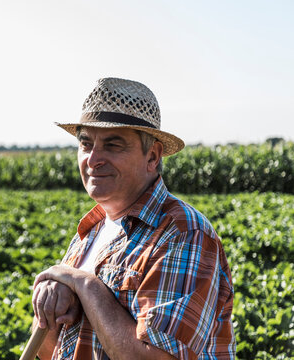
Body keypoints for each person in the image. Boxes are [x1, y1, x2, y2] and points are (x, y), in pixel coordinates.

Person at [32, 78, 235, 360]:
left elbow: (156, 357)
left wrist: (85, 285)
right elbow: (49, 350)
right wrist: (47, 308)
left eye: (113, 145)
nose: (92, 159)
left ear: (152, 156)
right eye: (86, 144)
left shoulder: (183, 232)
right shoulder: (92, 230)